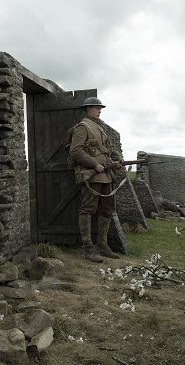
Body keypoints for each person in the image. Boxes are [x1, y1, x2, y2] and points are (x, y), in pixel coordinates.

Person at [68, 97, 122, 262]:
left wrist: (113, 164)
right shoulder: (82, 128)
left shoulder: (100, 128)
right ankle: (88, 248)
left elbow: (105, 153)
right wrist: (94, 164)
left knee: (107, 210)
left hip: (106, 175)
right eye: (96, 108)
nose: (99, 110)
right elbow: (75, 151)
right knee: (87, 210)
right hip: (92, 175)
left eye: (100, 108)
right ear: (88, 109)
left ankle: (102, 245)